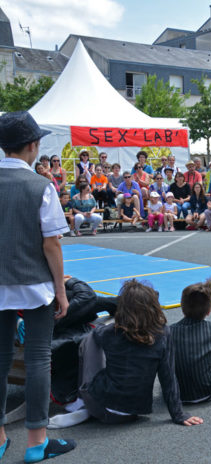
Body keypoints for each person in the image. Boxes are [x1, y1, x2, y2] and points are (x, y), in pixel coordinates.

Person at [0, 111, 76, 462]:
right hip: (34, 285)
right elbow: (52, 244)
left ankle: (0, 437)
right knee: (37, 360)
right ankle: (36, 441)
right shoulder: (41, 187)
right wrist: (61, 291)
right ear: (32, 146)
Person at [78, 280, 203, 426]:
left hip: (102, 406)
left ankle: (80, 399)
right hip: (133, 412)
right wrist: (178, 414)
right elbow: (168, 376)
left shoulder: (109, 332)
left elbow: (97, 333)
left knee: (88, 340)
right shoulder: (163, 333)